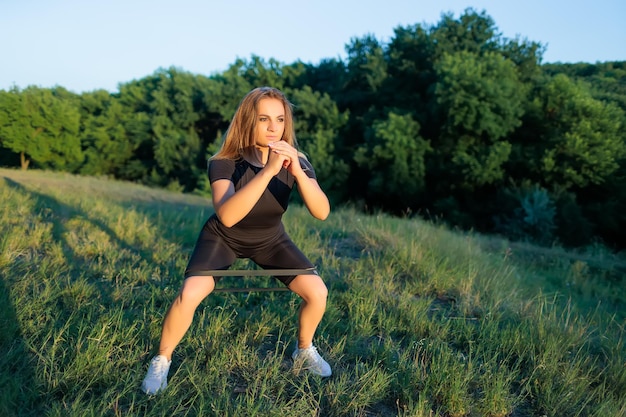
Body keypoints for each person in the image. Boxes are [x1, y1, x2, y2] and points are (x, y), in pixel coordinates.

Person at [141, 86, 332, 395]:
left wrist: (296, 168)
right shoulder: (225, 161)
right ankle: (162, 358)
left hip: (270, 239)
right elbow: (228, 216)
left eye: (280, 120)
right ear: (247, 121)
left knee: (317, 292)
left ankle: (303, 350)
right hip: (224, 238)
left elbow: (321, 211)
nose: (273, 128)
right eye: (264, 119)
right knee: (190, 293)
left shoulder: (297, 159)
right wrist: (269, 171)